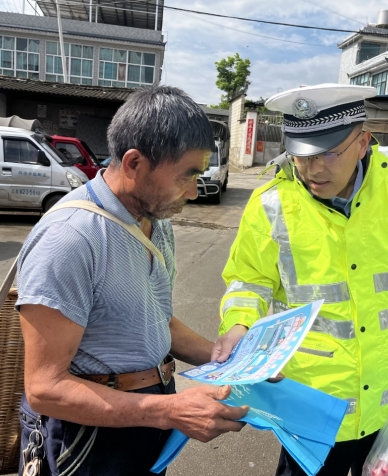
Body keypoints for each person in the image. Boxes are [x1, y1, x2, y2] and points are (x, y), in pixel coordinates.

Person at [212, 84, 388, 476]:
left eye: (328, 153)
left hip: (387, 397)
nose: (313, 170)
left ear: (363, 143)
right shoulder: (272, 202)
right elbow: (249, 281)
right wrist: (239, 326)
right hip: (313, 405)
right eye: (302, 156)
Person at [16, 85, 248, 476]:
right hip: (88, 441)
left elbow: (155, 317)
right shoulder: (71, 237)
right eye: (186, 175)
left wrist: (226, 360)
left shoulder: (155, 221)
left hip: (145, 420)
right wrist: (170, 411)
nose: (194, 190)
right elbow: (45, 388)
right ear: (135, 162)